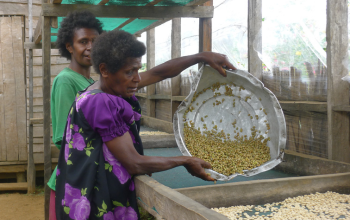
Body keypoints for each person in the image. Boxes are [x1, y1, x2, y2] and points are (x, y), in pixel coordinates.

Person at [55, 30, 236, 220]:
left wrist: (200, 56)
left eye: (137, 69)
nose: (138, 78)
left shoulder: (104, 87)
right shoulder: (100, 102)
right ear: (104, 70)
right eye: (129, 72)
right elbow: (134, 163)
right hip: (93, 205)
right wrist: (185, 161)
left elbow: (159, 72)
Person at [48, 11, 103, 220]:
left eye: (95, 41)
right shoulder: (66, 81)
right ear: (69, 47)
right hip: (70, 184)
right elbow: (64, 137)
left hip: (88, 181)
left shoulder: (92, 83)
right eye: (83, 41)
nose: (90, 47)